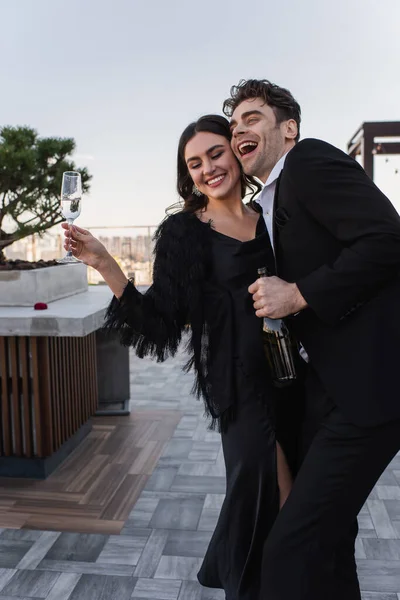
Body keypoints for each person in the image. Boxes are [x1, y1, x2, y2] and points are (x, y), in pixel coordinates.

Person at [62, 114, 302, 600]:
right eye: (194, 163)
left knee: (294, 503)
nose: (208, 168)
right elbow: (160, 326)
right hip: (240, 386)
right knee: (275, 499)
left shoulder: (274, 217)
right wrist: (106, 264)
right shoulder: (183, 233)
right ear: (186, 174)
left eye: (215, 153)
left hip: (294, 377)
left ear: (236, 151)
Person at [224, 78, 400, 600]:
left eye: (251, 119)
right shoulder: (271, 201)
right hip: (324, 391)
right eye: (234, 126)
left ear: (289, 128)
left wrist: (299, 294)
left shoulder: (309, 162)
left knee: (290, 550)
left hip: (366, 392)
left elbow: (389, 239)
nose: (239, 133)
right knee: (328, 541)